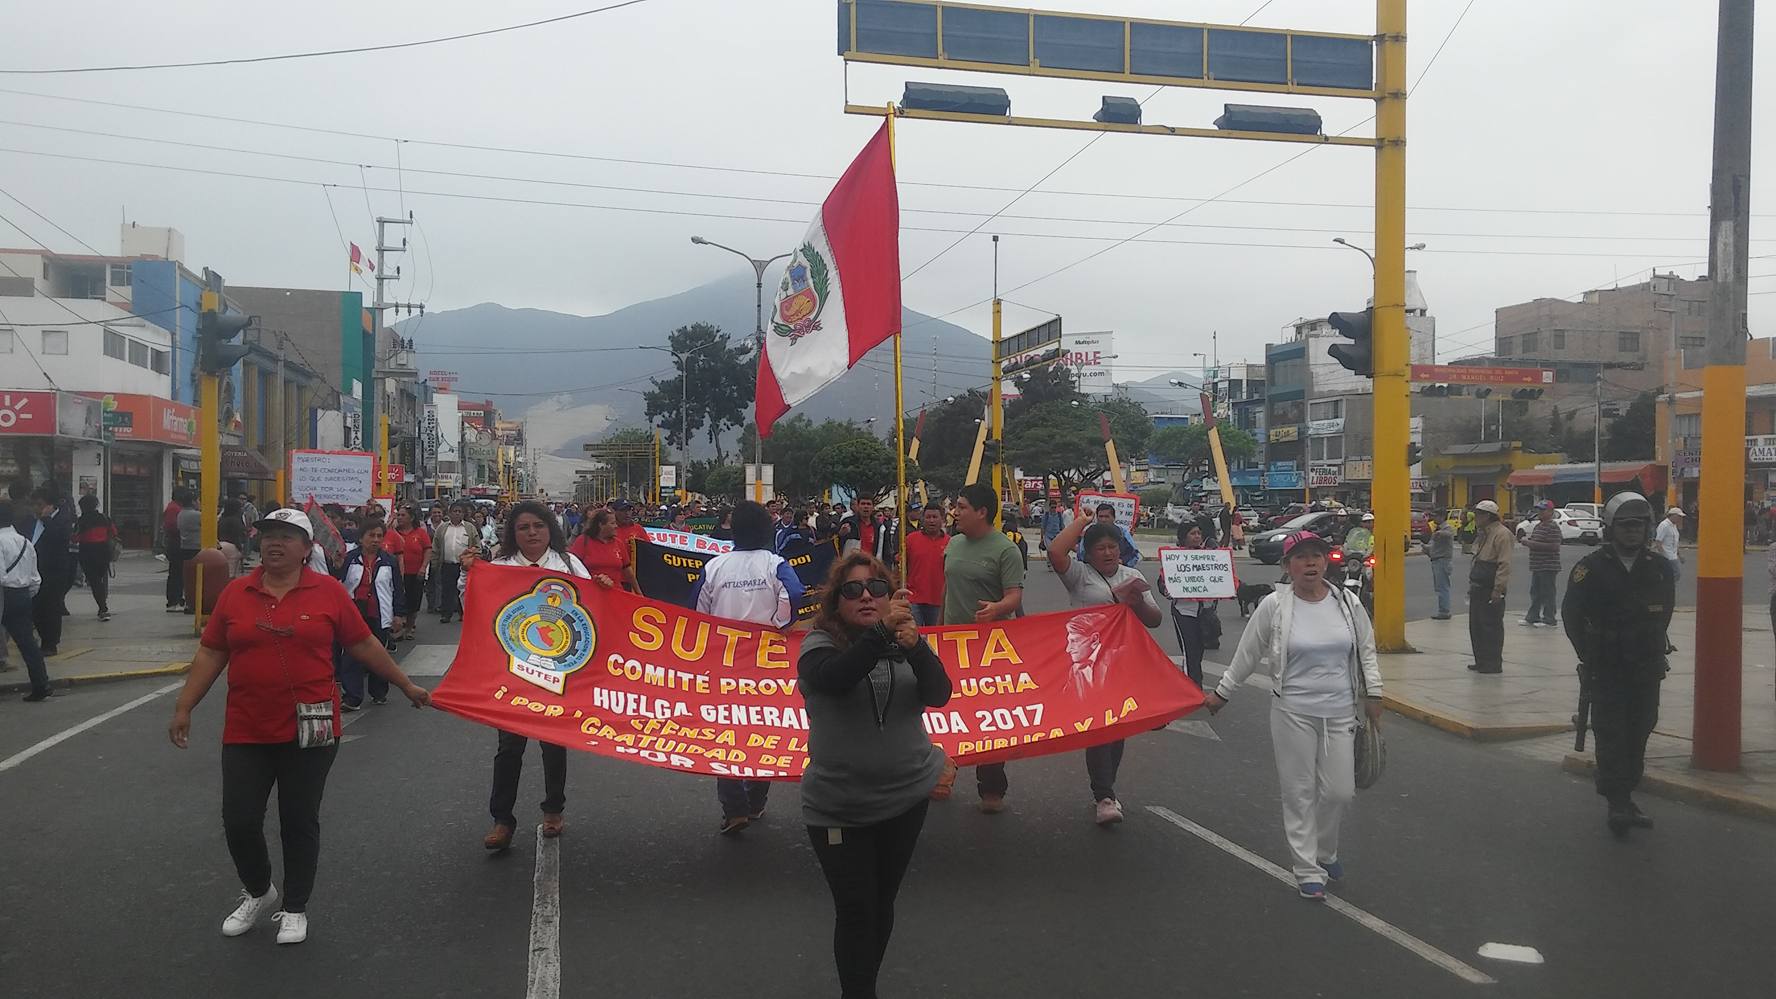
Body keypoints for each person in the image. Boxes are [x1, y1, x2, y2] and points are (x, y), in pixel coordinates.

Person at [167, 507, 429, 945]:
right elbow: (212, 651)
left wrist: (405, 684)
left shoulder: (328, 592)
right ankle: (259, 890)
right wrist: (184, 705)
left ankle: (294, 906)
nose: (275, 543)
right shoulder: (236, 593)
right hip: (247, 726)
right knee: (239, 820)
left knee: (298, 818)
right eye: (269, 534)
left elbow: (363, 643)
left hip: (312, 726)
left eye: (287, 536)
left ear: (307, 548)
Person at [798, 552, 953, 999]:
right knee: (856, 908)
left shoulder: (902, 640)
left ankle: (864, 986)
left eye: (876, 588)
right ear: (836, 601)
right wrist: (881, 633)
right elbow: (835, 678)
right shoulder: (818, 645)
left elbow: (939, 694)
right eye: (853, 590)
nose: (866, 596)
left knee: (882, 902)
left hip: (906, 798)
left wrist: (916, 648)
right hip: (839, 806)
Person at [1205, 530, 1384, 899]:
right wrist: (1223, 692)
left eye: (1316, 555)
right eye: (1301, 557)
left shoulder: (1347, 603)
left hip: (1340, 712)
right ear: (1287, 566)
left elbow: (1366, 650)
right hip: (1293, 711)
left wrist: (1375, 692)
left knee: (1340, 791)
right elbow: (1248, 652)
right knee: (1299, 790)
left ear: (1326, 562)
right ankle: (1306, 868)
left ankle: (1325, 851)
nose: (1310, 563)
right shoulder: (1275, 606)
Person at [461, 501, 590, 849]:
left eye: (538, 526)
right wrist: (469, 575)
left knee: (554, 744)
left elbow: (593, 610)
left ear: (550, 528)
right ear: (513, 534)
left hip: (559, 671)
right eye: (523, 528)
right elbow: (472, 607)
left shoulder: (568, 564)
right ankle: (502, 819)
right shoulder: (499, 567)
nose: (532, 533)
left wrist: (604, 587)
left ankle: (554, 809)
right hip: (513, 673)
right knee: (509, 747)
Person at [1562, 492, 1674, 837]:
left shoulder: (1659, 567)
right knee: (1611, 733)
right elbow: (1571, 614)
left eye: (1638, 525)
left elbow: (1665, 613)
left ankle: (1625, 792)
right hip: (1606, 667)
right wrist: (1588, 654)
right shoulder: (1591, 568)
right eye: (1625, 525)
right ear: (1611, 528)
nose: (1632, 531)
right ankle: (1618, 802)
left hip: (1645, 666)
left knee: (1641, 729)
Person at [693, 500, 805, 834]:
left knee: (726, 729)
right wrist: (778, 624)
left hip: (724, 661)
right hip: (766, 660)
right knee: (762, 727)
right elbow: (794, 594)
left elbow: (698, 612)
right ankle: (755, 801)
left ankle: (734, 808)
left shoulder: (715, 566)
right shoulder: (775, 563)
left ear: (733, 529)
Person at [1046, 512, 1164, 825]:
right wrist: (1081, 521)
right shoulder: (1079, 575)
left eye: (1113, 546)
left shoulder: (1131, 576)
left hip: (1122, 663)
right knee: (1099, 726)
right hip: (1088, 664)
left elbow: (1155, 620)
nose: (1108, 552)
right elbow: (1056, 551)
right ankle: (1104, 796)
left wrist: (1137, 602)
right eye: (1101, 548)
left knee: (1117, 728)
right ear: (1089, 552)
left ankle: (1106, 787)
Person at [942, 482, 1025, 813]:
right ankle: (941, 774)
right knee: (946, 712)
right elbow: (947, 590)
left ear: (982, 512)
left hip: (989, 649)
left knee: (988, 717)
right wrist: (936, 631)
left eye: (962, 507)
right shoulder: (953, 543)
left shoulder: (1006, 550)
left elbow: (1014, 596)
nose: (955, 512)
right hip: (951, 643)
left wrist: (996, 608)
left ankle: (991, 787)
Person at [335, 520, 403, 710]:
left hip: (379, 613)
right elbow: (337, 581)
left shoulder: (389, 561)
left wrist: (399, 614)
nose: (375, 540)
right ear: (361, 538)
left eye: (379, 536)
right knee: (351, 656)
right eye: (371, 535)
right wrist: (338, 566)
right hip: (354, 613)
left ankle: (379, 692)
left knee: (378, 655)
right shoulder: (350, 558)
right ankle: (352, 697)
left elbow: (397, 588)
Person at [1, 499, 53, 701]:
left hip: (4, 594)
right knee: (28, 644)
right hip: (22, 595)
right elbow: (35, 578)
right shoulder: (25, 542)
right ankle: (41, 684)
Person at [1163, 523, 1213, 686]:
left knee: (1199, 650)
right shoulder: (1175, 558)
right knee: (1190, 650)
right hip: (1183, 611)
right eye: (1193, 533)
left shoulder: (1209, 556)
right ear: (1184, 537)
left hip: (1203, 612)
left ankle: (1195, 683)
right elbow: (1163, 581)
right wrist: (1167, 590)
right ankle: (1192, 686)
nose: (1197, 536)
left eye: (1199, 533)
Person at [1468, 500, 1513, 674]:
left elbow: (1504, 564)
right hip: (1478, 585)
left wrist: (1498, 589)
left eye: (1479, 514)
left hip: (1490, 586)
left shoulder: (1502, 534)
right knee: (1476, 626)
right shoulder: (1484, 533)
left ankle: (1492, 663)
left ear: (1488, 516)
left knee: (1490, 626)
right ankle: (1481, 660)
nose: (1476, 517)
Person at [30, 486, 74, 656]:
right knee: (36, 607)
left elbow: (59, 538)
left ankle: (50, 643)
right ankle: (42, 637)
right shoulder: (32, 520)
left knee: (51, 607)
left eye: (40, 504)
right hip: (35, 570)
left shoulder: (62, 519)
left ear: (50, 505)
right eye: (34, 504)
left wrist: (47, 519)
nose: (36, 508)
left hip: (54, 571)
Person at [568, 508, 640, 592]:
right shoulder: (583, 541)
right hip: (590, 593)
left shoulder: (619, 543)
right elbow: (571, 567)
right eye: (612, 523)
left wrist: (639, 593)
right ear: (601, 525)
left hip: (616, 593)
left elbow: (628, 572)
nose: (616, 526)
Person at [903, 504, 950, 628]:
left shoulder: (950, 542)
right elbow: (900, 567)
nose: (931, 520)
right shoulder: (910, 539)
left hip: (938, 601)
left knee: (934, 636)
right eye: (928, 517)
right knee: (913, 634)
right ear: (922, 519)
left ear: (942, 519)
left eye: (935, 517)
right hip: (913, 598)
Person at [74, 493, 118, 622]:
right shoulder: (105, 518)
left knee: (95, 582)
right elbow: (114, 532)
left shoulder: (82, 521)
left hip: (87, 552)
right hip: (104, 552)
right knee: (99, 580)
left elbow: (75, 538)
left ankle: (103, 608)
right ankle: (102, 607)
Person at [1521, 500, 1563, 628]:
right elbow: (1537, 541)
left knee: (1547, 593)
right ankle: (1532, 617)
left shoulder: (1553, 527)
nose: (1539, 512)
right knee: (1535, 593)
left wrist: (1530, 543)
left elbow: (1554, 546)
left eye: (1543, 510)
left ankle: (1549, 619)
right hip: (1537, 565)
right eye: (1539, 510)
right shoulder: (1539, 526)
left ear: (1551, 512)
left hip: (1548, 566)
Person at [434, 504, 476, 624]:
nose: (457, 513)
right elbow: (436, 546)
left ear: (463, 514)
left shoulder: (469, 528)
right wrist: (434, 563)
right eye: (455, 511)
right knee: (447, 590)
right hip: (447, 564)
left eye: (459, 511)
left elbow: (476, 545)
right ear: (449, 513)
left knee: (463, 590)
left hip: (463, 566)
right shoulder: (442, 528)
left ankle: (463, 613)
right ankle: (446, 614)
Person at [394, 507, 430, 641]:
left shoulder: (420, 533)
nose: (400, 518)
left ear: (411, 518)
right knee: (399, 600)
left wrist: (423, 567)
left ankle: (409, 627)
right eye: (398, 515)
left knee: (414, 601)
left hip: (415, 573)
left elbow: (427, 550)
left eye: (403, 515)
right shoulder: (394, 533)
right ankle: (398, 627)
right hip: (398, 574)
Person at [839, 496, 898, 567]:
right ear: (858, 506)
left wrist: (886, 570)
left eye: (868, 504)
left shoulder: (880, 528)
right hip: (852, 567)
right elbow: (837, 542)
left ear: (873, 507)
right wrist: (841, 534)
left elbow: (886, 553)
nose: (866, 506)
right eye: (863, 504)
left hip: (872, 568)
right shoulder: (849, 522)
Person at [1083, 502, 1141, 568]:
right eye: (1101, 516)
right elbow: (1082, 554)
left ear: (1113, 518)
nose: (1103, 520)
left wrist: (1122, 561)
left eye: (1106, 516)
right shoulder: (1090, 533)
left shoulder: (1122, 532)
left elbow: (1133, 554)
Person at [163, 489, 189, 611]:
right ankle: (173, 600)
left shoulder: (175, 507)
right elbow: (171, 526)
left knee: (178, 573)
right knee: (176, 574)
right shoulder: (174, 508)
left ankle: (177, 599)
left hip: (177, 543)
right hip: (176, 544)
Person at [1427, 515, 1456, 620]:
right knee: (1440, 587)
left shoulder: (1446, 529)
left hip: (1442, 561)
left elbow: (1448, 534)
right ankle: (1443, 610)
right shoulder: (1437, 529)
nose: (1434, 518)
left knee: (1443, 587)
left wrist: (1439, 533)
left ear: (1442, 517)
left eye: (1436, 516)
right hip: (1437, 560)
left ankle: (1444, 611)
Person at [218, 499, 248, 577]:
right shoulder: (236, 520)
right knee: (231, 573)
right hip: (232, 546)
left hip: (219, 546)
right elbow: (237, 536)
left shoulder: (221, 519)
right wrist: (240, 549)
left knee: (221, 572)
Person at [1654, 507, 1684, 583]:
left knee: (1674, 574)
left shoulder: (1674, 525)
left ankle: (1668, 586)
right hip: (1667, 555)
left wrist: (1679, 555)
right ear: (1673, 515)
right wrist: (1663, 556)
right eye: (1679, 516)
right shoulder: (1664, 525)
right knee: (1675, 573)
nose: (1680, 519)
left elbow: (1675, 542)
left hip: (1673, 555)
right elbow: (1658, 542)